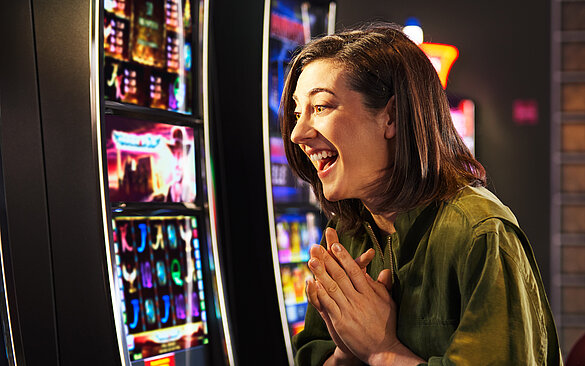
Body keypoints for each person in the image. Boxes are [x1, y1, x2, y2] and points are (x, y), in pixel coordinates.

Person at [280, 23, 563, 365]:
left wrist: (382, 351)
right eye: (297, 113)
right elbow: (312, 355)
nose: (297, 133)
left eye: (321, 107)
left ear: (392, 117)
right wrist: (346, 351)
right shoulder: (346, 234)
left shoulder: (480, 233)